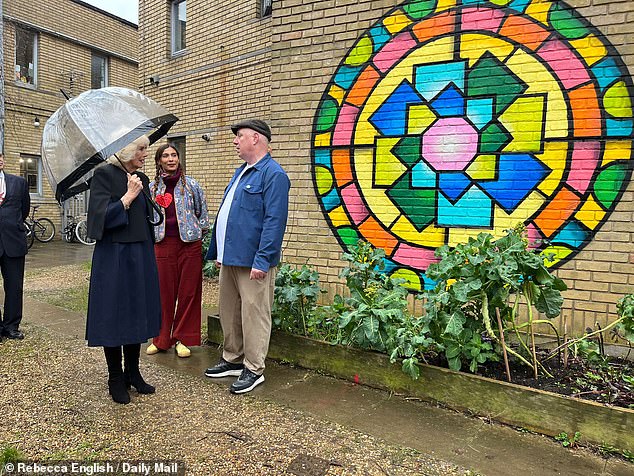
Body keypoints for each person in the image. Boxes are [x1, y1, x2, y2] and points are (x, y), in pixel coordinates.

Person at [204, 119, 290, 394]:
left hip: (253, 262)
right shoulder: (242, 171)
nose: (234, 141)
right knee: (230, 313)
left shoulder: (273, 175)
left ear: (256, 138)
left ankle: (253, 368)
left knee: (254, 314)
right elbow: (231, 215)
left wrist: (262, 260)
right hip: (231, 258)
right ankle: (232, 359)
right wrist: (221, 251)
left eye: (239, 136)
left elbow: (273, 222)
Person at [86, 136, 161, 404]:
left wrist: (145, 195)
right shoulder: (103, 175)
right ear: (127, 150)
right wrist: (127, 197)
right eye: (141, 149)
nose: (145, 153)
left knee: (136, 311)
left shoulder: (140, 176)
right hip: (114, 254)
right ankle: (115, 377)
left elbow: (148, 217)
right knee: (114, 314)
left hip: (140, 252)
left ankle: (134, 373)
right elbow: (97, 220)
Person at [147, 143, 209, 358]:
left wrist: (197, 234)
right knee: (163, 293)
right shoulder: (152, 189)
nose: (171, 159)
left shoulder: (192, 185)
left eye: (174, 155)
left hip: (189, 246)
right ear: (159, 161)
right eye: (166, 155)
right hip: (163, 244)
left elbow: (202, 214)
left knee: (188, 293)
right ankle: (161, 339)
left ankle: (183, 339)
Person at [0, 152, 30, 342]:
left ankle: (11, 326)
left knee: (14, 286)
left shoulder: (18, 182)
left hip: (13, 242)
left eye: (0, 156)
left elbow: (24, 209)